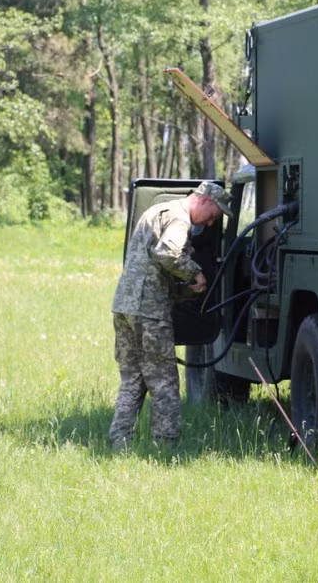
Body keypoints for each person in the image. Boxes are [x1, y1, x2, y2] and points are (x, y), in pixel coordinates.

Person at [108, 180, 232, 450]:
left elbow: (151, 263)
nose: (210, 224)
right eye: (212, 216)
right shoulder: (179, 219)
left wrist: (181, 290)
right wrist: (195, 273)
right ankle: (166, 447)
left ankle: (119, 442)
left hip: (124, 307)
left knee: (133, 380)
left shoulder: (157, 211)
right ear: (205, 201)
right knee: (164, 382)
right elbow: (168, 252)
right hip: (149, 312)